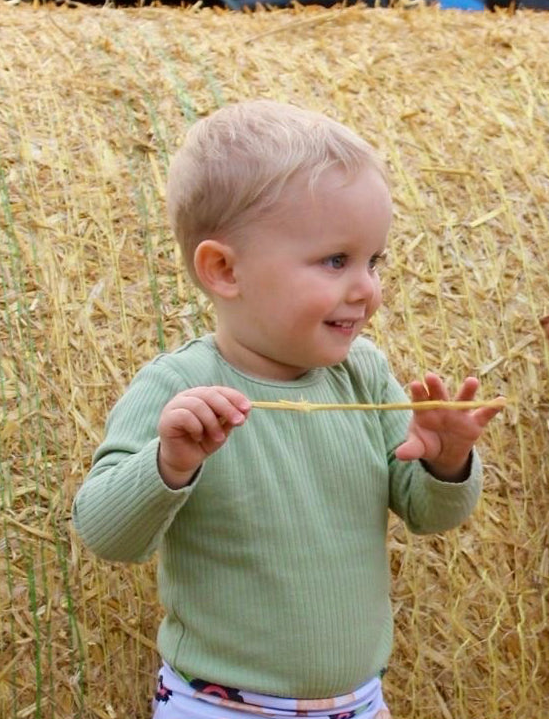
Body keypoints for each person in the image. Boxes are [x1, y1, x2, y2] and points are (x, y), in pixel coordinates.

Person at [72, 101, 503, 719]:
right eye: (335, 261)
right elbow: (107, 535)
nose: (366, 288)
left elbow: (430, 514)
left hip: (358, 700)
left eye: (373, 260)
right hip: (220, 707)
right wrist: (169, 463)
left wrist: (447, 462)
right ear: (224, 270)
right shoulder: (179, 388)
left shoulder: (363, 375)